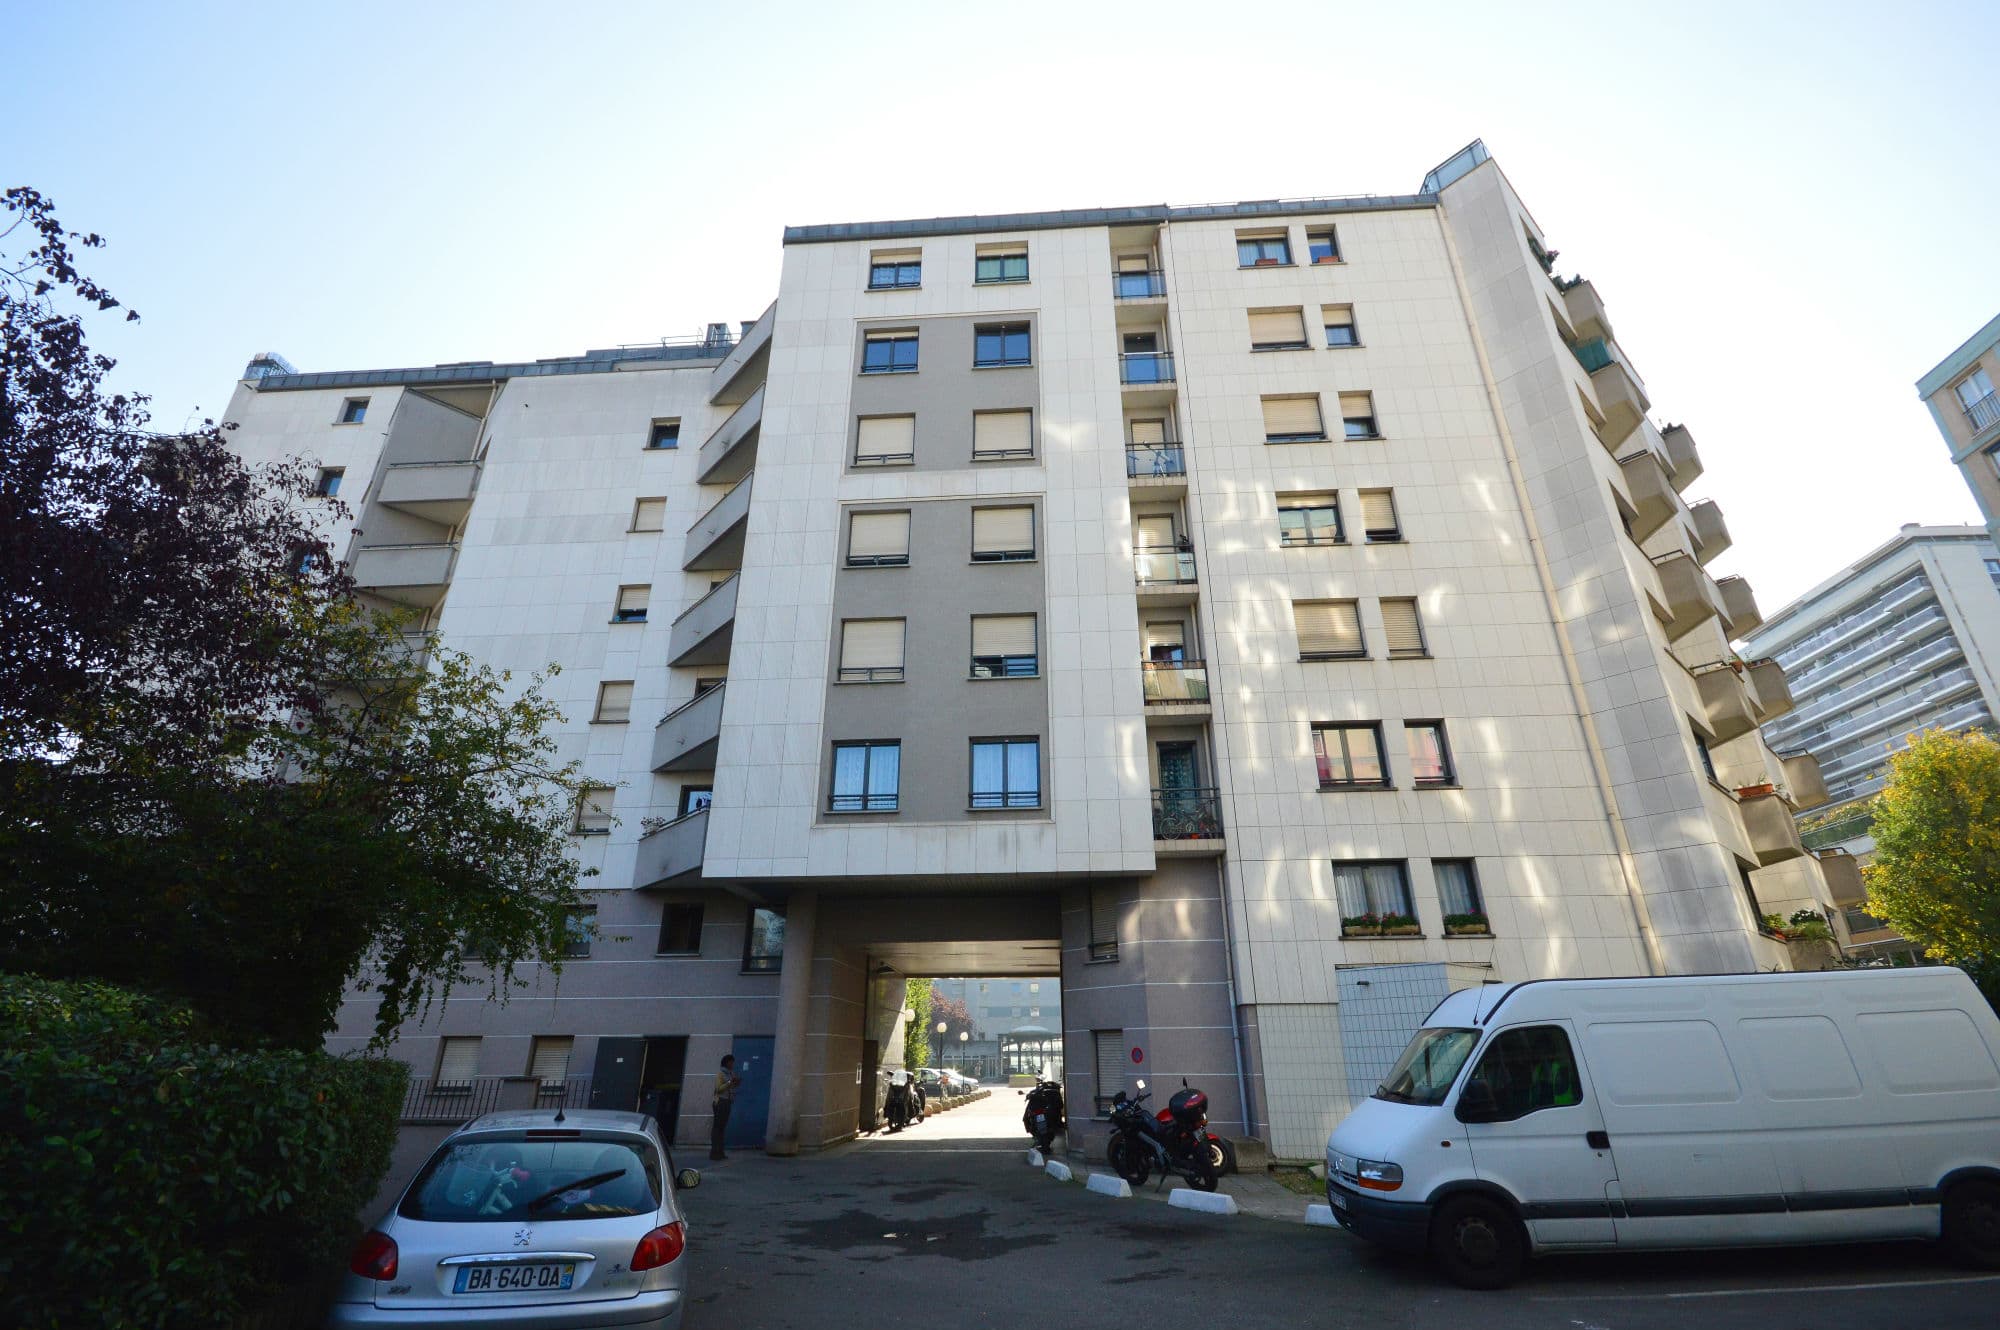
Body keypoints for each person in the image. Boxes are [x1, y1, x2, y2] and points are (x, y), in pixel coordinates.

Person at [710, 1054, 743, 1160]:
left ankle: (720, 1152)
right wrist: (729, 1082)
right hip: (720, 1102)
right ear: (726, 1063)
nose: (733, 1064)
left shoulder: (731, 1073)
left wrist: (736, 1082)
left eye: (733, 1062)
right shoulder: (720, 1074)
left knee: (722, 1128)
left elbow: (732, 1086)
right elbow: (718, 1089)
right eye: (731, 1062)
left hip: (728, 1101)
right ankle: (714, 1152)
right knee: (717, 1127)